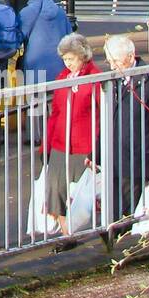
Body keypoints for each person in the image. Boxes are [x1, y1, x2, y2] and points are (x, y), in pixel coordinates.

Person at [104, 34, 149, 222]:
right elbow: (107, 117)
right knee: (114, 208)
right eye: (109, 61)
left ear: (131, 56)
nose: (112, 66)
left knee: (127, 208)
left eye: (116, 61)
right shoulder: (113, 79)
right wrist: (96, 152)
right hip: (116, 153)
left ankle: (122, 242)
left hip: (139, 156)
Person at [43, 33, 101, 235]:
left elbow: (100, 113)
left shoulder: (95, 77)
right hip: (61, 143)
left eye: (71, 59)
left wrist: (97, 147)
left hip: (83, 144)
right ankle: (67, 234)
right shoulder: (62, 77)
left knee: (80, 195)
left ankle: (76, 233)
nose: (68, 63)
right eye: (65, 59)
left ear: (82, 56)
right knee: (56, 190)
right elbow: (55, 112)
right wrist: (46, 145)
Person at [17, 0, 71, 135]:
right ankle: (56, 133)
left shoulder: (26, 13)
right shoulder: (60, 12)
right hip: (58, 63)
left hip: (35, 63)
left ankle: (35, 136)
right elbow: (69, 36)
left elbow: (18, 36)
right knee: (55, 100)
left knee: (34, 100)